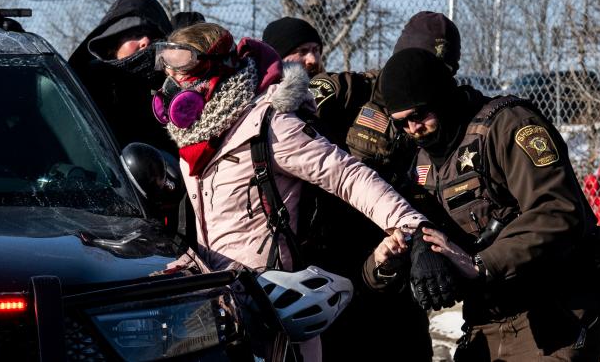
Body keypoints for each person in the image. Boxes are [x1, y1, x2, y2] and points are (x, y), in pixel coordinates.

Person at [153, 22, 459, 362]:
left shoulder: (270, 126)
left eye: (180, 76)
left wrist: (413, 229)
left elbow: (349, 176)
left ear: (214, 73)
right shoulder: (197, 141)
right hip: (223, 314)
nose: (171, 88)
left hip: (277, 314)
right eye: (168, 76)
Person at [364, 47, 600, 361]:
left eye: (419, 116)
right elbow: (421, 228)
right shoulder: (422, 161)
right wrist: (391, 262)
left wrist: (481, 263)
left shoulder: (507, 126)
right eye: (402, 123)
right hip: (489, 314)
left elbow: (559, 211)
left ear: (443, 96)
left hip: (558, 305)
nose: (413, 129)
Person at [68, 0, 178, 155]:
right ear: (111, 45)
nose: (145, 41)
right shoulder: (86, 91)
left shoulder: (176, 88)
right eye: (134, 34)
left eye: (153, 35)